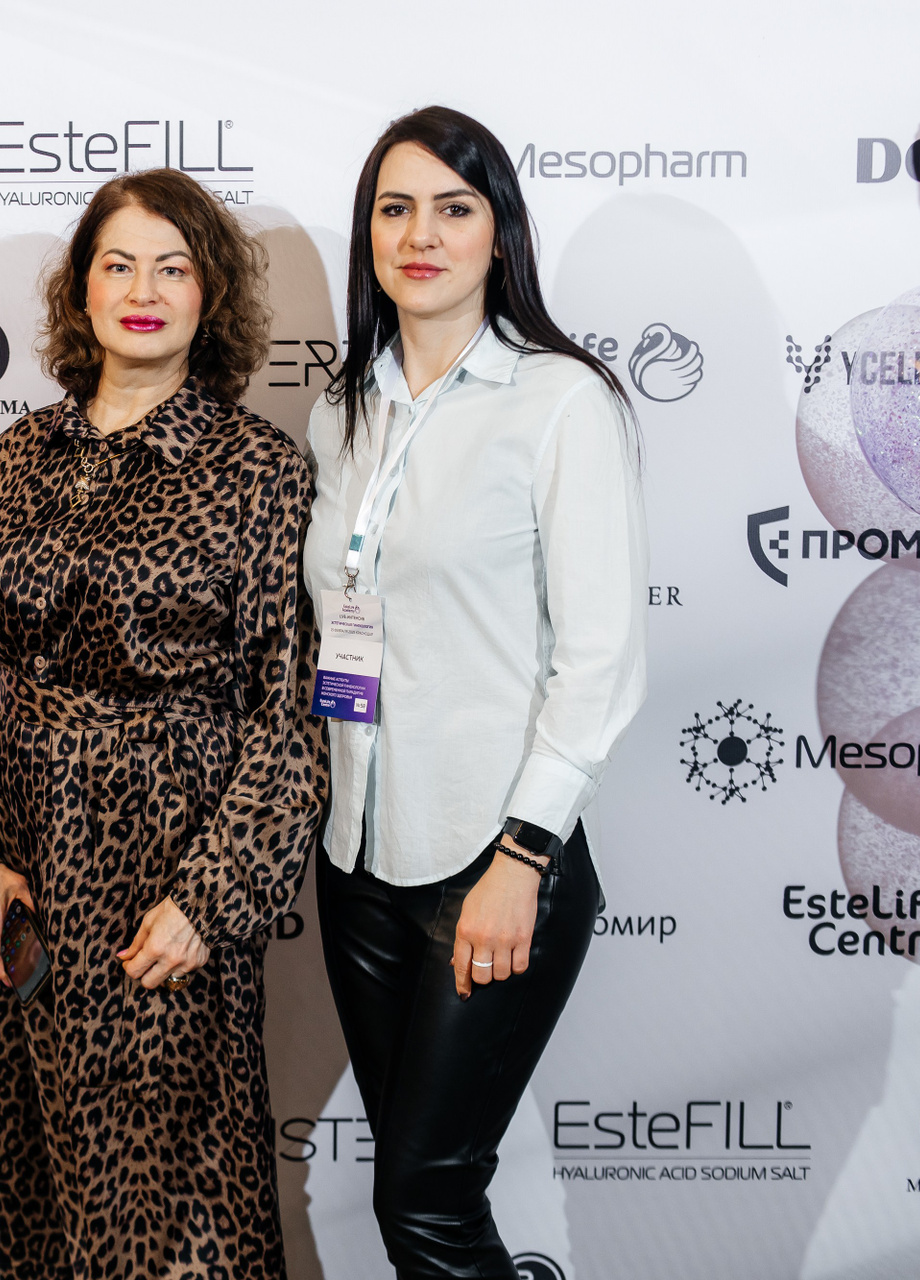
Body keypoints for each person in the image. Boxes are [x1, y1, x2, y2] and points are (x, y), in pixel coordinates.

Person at [0, 167, 328, 1278]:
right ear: (82, 289)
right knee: (54, 1201)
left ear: (211, 295)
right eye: (118, 265)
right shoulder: (18, 455)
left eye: (172, 267)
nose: (143, 291)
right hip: (34, 886)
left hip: (170, 883)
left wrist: (212, 897)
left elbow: (294, 717)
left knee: (181, 1218)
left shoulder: (258, 470)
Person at [304, 107, 647, 1278]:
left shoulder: (559, 401)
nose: (422, 235)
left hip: (492, 864)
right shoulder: (342, 409)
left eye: (454, 208)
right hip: (355, 861)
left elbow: (600, 657)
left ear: (499, 233)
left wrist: (524, 854)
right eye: (395, 208)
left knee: (428, 1201)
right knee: (415, 1198)